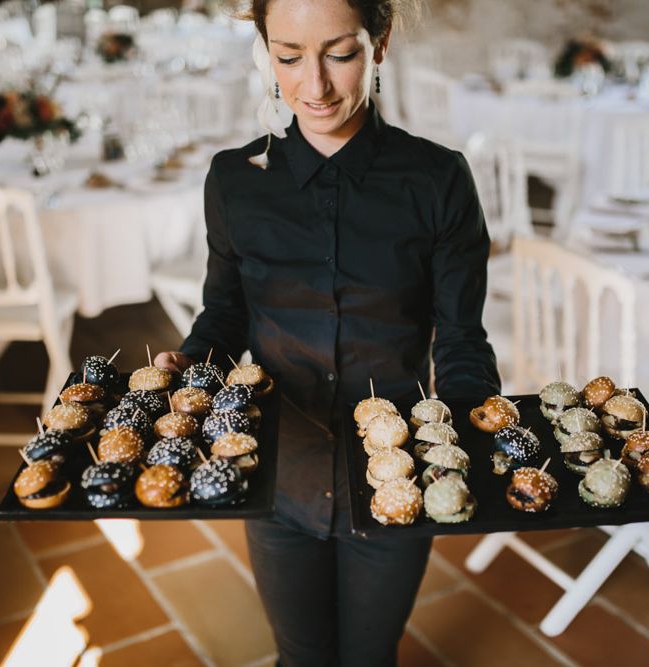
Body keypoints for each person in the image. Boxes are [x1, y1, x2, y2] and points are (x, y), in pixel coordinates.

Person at [156, 0, 501, 664]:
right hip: (277, 471)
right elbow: (224, 315)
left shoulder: (436, 180)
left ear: (379, 41)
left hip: (396, 479)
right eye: (287, 57)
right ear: (264, 50)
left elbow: (460, 336)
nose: (312, 87)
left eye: (339, 54)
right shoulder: (234, 179)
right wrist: (190, 362)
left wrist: (466, 433)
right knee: (301, 655)